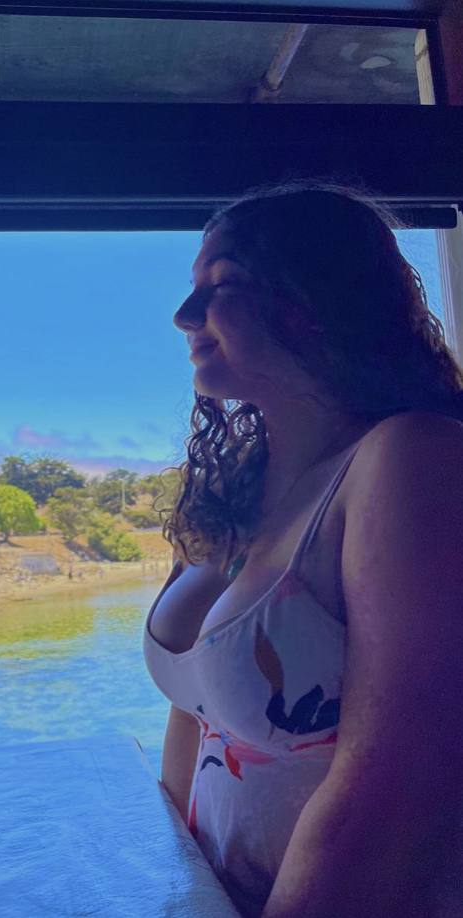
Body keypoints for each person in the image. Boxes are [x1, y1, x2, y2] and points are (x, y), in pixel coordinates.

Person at [144, 179, 463, 918]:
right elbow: (193, 719)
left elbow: (394, 788)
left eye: (222, 284)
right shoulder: (229, 497)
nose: (184, 314)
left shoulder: (411, 457)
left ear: (313, 302)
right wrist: (171, 890)